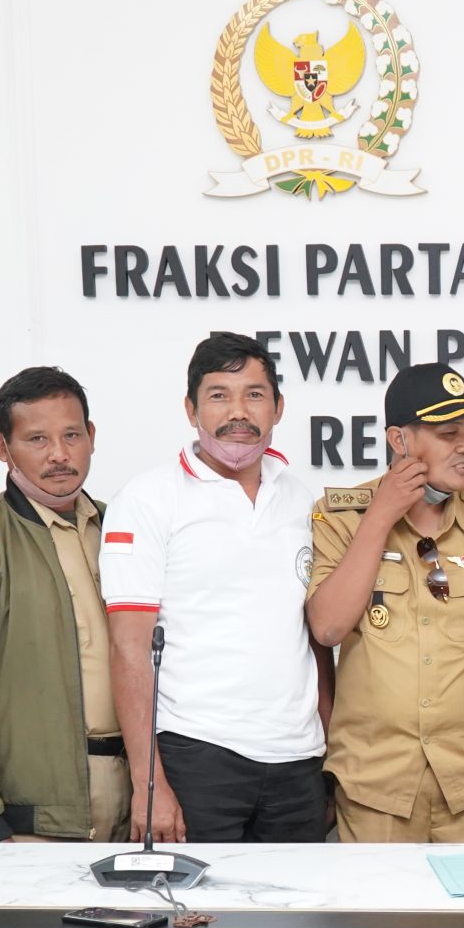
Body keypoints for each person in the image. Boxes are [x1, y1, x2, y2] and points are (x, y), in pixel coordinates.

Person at [101, 333, 330, 843]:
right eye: (219, 395)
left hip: (299, 760)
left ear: (278, 407)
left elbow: (313, 638)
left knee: (297, 898)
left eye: (254, 394)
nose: (238, 412)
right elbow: (129, 647)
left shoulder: (300, 498)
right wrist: (150, 783)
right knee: (201, 898)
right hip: (196, 756)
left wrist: (330, 751)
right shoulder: (147, 499)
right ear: (191, 409)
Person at [308, 362, 464, 841]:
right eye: (448, 434)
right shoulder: (342, 516)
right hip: (375, 781)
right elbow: (327, 627)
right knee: (378, 896)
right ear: (398, 440)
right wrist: (381, 515)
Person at [0, 366, 129, 842]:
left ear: (91, 436)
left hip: (136, 800)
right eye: (37, 439)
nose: (59, 454)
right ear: (2, 447)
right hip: (33, 817)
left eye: (71, 435)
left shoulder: (121, 528)